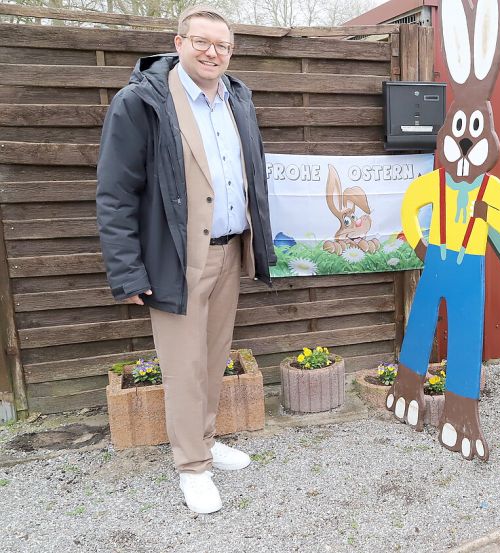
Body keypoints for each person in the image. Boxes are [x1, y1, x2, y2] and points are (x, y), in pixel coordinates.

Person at [96, 4, 275, 514]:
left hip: (230, 251)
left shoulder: (238, 98)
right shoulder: (141, 102)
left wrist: (258, 242)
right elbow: (114, 193)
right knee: (181, 366)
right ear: (178, 43)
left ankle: (206, 440)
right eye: (201, 42)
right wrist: (127, 271)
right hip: (176, 258)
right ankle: (191, 467)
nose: (212, 52)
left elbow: (250, 175)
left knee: (214, 358)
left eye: (222, 45)